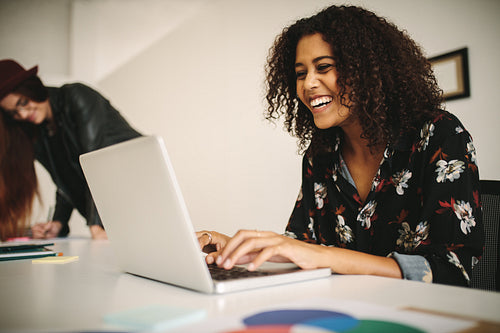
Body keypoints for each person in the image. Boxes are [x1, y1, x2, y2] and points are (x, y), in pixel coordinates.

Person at [197, 5, 483, 287]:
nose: (308, 83)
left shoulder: (439, 135)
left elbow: (451, 270)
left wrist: (324, 255)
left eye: (323, 67)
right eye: (300, 73)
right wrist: (243, 250)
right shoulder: (320, 154)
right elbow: (303, 247)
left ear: (368, 69)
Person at [0, 59, 141, 240]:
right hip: (114, 209)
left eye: (23, 102)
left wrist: (96, 225)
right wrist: (59, 222)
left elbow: (96, 163)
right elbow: (66, 178)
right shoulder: (38, 133)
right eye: (14, 113)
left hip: (139, 190)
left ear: (32, 88)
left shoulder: (76, 96)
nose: (23, 114)